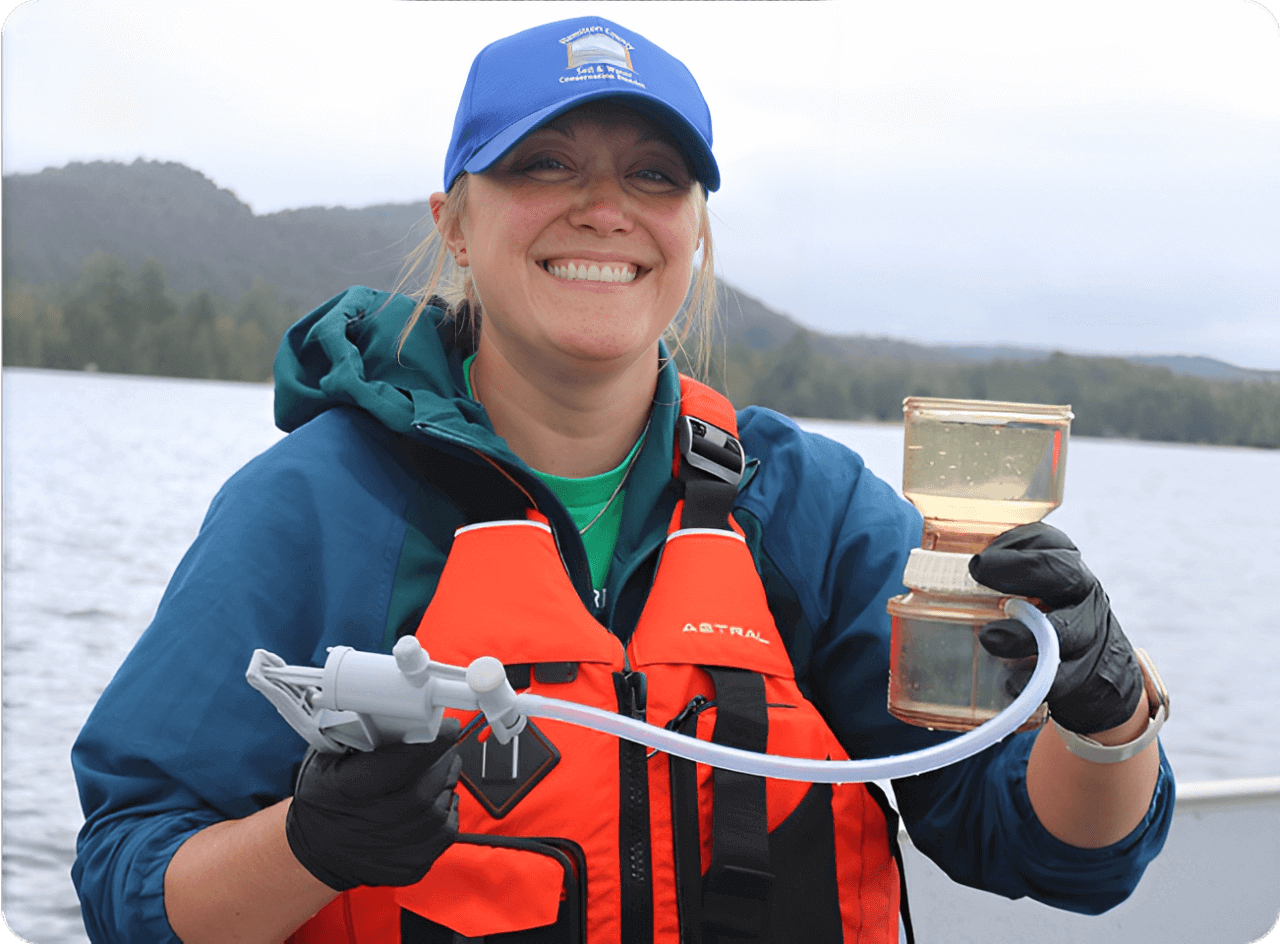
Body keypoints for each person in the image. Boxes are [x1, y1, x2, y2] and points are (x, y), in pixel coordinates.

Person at [71, 15, 1174, 944]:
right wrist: (310, 842)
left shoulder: (801, 504)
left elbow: (1051, 850)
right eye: (542, 162)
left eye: (654, 175)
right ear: (452, 220)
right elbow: (129, 874)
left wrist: (1103, 712)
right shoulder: (312, 509)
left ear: (691, 229)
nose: (604, 207)